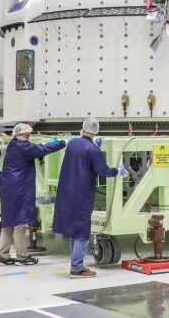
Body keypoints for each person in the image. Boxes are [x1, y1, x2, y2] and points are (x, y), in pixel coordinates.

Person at [52, 118, 125, 279]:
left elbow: (81, 156)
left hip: (66, 192)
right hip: (81, 194)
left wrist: (94, 147)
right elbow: (103, 170)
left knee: (73, 230)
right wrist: (117, 171)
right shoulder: (93, 150)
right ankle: (77, 269)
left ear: (83, 129)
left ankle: (75, 264)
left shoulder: (73, 144)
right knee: (82, 232)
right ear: (96, 131)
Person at [0, 123, 66, 267]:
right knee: (19, 224)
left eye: (29, 135)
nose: (28, 138)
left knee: (8, 224)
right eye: (26, 135)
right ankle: (22, 257)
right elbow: (42, 150)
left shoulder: (13, 145)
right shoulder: (24, 147)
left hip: (8, 189)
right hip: (18, 190)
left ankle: (2, 256)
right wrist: (62, 143)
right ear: (17, 135)